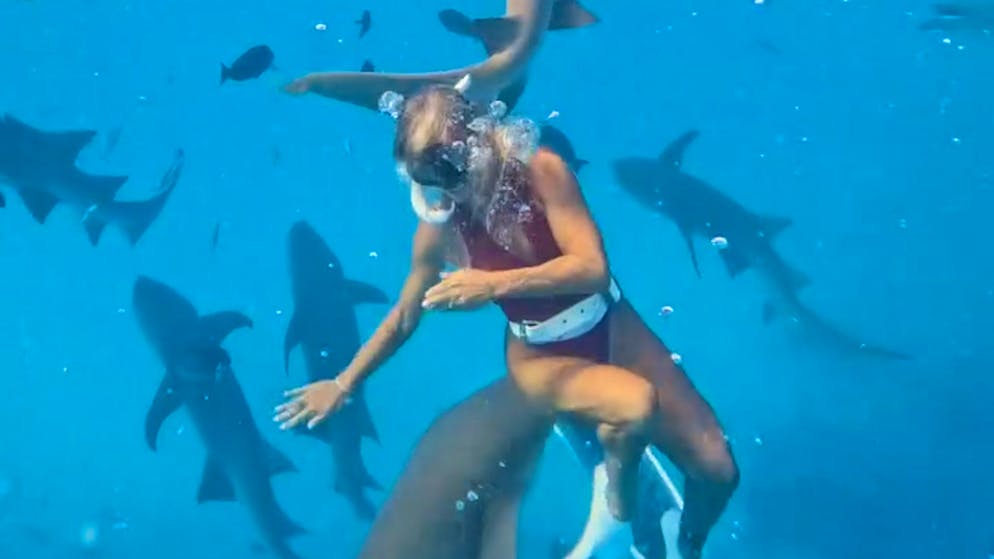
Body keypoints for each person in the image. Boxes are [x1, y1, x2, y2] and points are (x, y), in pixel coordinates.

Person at [273, 78, 739, 558]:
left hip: (613, 323)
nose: (445, 193)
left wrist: (493, 284)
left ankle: (685, 542)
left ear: (478, 141)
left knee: (719, 471)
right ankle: (619, 509)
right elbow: (405, 314)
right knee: (636, 404)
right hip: (539, 355)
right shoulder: (439, 228)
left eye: (450, 171)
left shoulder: (543, 171)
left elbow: (592, 270)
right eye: (428, 181)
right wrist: (345, 382)